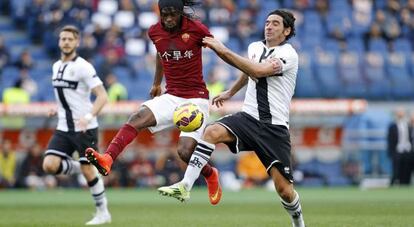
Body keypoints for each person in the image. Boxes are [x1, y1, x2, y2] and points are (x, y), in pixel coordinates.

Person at [158, 9, 305, 227]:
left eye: (275, 23)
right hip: (248, 117)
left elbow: (259, 71)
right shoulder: (255, 47)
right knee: (211, 131)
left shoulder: (289, 54)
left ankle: (298, 222)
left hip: (274, 127)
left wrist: (222, 49)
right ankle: (185, 185)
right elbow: (248, 72)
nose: (269, 26)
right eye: (267, 22)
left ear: (287, 31)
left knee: (284, 191)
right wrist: (230, 92)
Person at [85, 0, 222, 205]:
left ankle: (210, 174)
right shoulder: (154, 31)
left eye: (172, 14)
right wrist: (157, 83)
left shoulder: (196, 29)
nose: (167, 19)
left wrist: (242, 75)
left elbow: (221, 50)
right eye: (163, 14)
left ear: (180, 12)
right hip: (172, 94)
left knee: (184, 152)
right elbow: (160, 53)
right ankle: (108, 158)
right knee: (137, 117)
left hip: (195, 98)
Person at [41, 25, 111, 225]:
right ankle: (82, 167)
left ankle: (103, 212)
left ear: (77, 42)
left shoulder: (84, 67)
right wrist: (57, 108)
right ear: (59, 42)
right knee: (49, 165)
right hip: (64, 126)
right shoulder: (56, 66)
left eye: (70, 39)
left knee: (89, 172)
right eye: (63, 39)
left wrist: (88, 116)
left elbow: (102, 96)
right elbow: (67, 96)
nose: (66, 42)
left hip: (84, 127)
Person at [387, 108, 412, 185]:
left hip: (408, 151)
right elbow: (390, 140)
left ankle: (405, 183)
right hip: (397, 151)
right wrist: (391, 153)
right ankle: (393, 184)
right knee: (396, 170)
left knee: (407, 169)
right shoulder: (392, 126)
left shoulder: (409, 126)